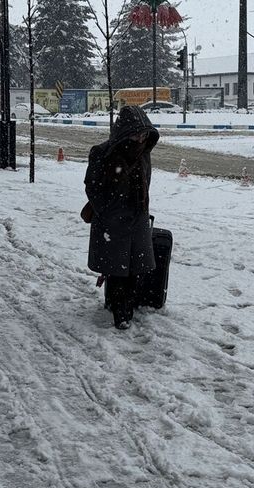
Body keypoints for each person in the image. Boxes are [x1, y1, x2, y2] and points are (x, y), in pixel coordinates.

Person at [84, 106, 159, 329]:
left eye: (144, 134)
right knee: (116, 270)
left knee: (139, 267)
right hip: (112, 220)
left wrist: (140, 206)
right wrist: (106, 210)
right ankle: (120, 312)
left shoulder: (144, 153)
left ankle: (128, 304)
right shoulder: (102, 152)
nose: (140, 138)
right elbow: (92, 186)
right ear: (124, 132)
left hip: (137, 218)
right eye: (137, 134)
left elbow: (147, 181)